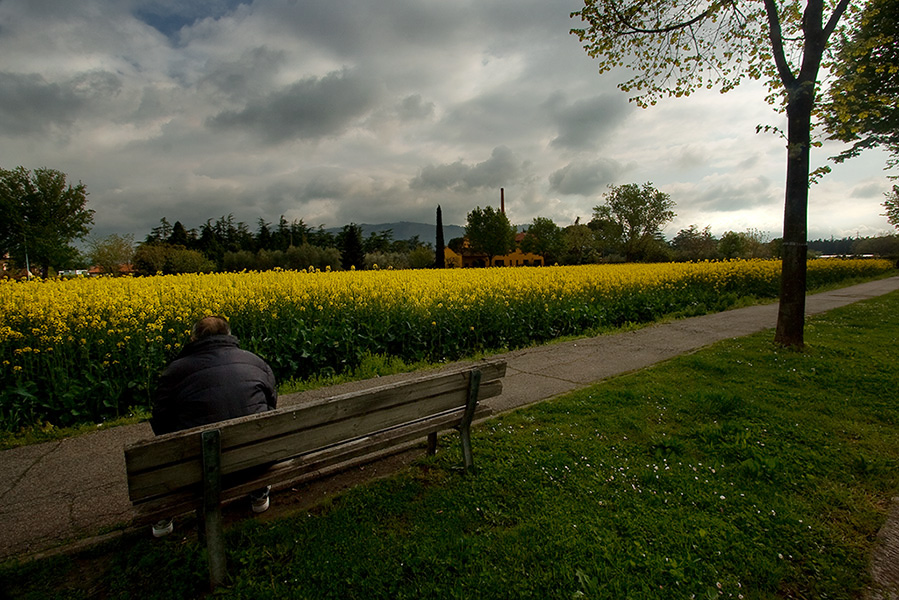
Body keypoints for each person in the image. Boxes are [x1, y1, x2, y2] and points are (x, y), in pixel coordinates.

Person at [149, 315, 278, 537]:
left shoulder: (174, 372)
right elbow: (271, 405)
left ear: (193, 338)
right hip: (256, 461)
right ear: (228, 335)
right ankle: (258, 491)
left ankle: (164, 516)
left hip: (199, 472)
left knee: (159, 456)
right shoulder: (255, 362)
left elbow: (161, 424)